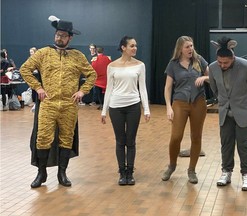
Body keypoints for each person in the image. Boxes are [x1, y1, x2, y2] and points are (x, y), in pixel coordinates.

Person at [20, 15, 96, 188]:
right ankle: (41, 173)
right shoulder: (43, 53)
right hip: (49, 103)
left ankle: (62, 173)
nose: (59, 38)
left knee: (66, 138)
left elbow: (91, 74)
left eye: (63, 35)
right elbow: (25, 69)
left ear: (70, 37)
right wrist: (37, 87)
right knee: (43, 138)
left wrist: (82, 91)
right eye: (57, 34)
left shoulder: (77, 56)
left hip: (69, 105)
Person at [209, 37, 247, 191]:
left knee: (243, 144)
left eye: (225, 63)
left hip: (245, 112)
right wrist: (223, 102)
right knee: (226, 144)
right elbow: (215, 89)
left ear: (233, 58)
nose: (222, 65)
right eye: (220, 62)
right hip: (225, 112)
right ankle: (226, 172)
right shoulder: (213, 68)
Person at [101, 36, 150, 186]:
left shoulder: (140, 65)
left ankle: (130, 172)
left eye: (135, 46)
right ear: (123, 47)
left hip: (133, 106)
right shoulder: (112, 66)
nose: (135, 48)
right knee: (120, 141)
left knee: (131, 140)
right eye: (132, 46)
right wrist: (104, 111)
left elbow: (142, 88)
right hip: (116, 107)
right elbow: (109, 89)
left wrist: (146, 109)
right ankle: (122, 172)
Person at [162, 36, 209, 184]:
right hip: (179, 102)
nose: (190, 49)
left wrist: (205, 78)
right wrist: (169, 106)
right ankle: (172, 165)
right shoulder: (173, 64)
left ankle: (192, 170)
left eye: (191, 46)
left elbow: (213, 76)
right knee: (176, 136)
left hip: (198, 103)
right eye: (187, 47)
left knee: (196, 136)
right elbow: (168, 87)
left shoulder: (199, 60)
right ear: (180, 49)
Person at [29, 47, 39, 112]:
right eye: (30, 52)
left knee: (37, 90)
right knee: (33, 91)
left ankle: (37, 104)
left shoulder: (38, 59)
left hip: (37, 77)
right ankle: (35, 103)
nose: (31, 53)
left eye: (32, 52)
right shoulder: (29, 60)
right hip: (32, 77)